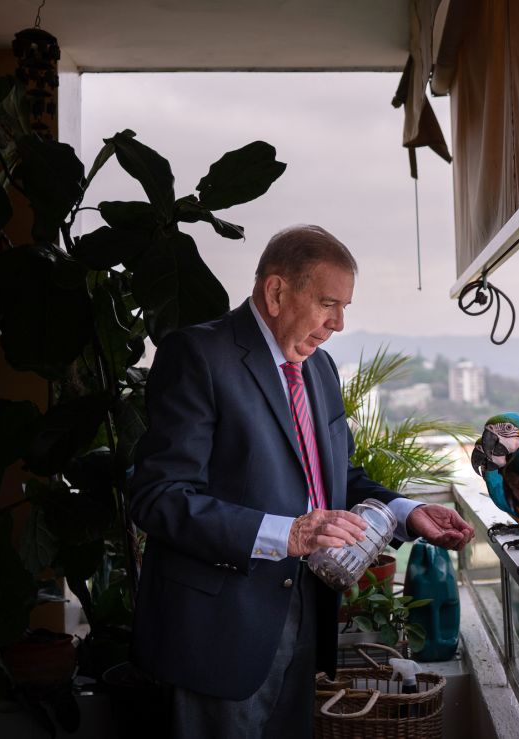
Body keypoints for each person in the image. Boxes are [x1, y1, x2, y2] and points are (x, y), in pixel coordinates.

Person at [129, 224, 474, 738]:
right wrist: (286, 534)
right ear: (276, 291)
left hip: (305, 620)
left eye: (344, 307)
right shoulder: (198, 355)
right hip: (220, 632)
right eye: (328, 303)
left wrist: (406, 512)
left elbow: (336, 479)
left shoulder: (320, 368)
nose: (337, 323)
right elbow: (159, 498)